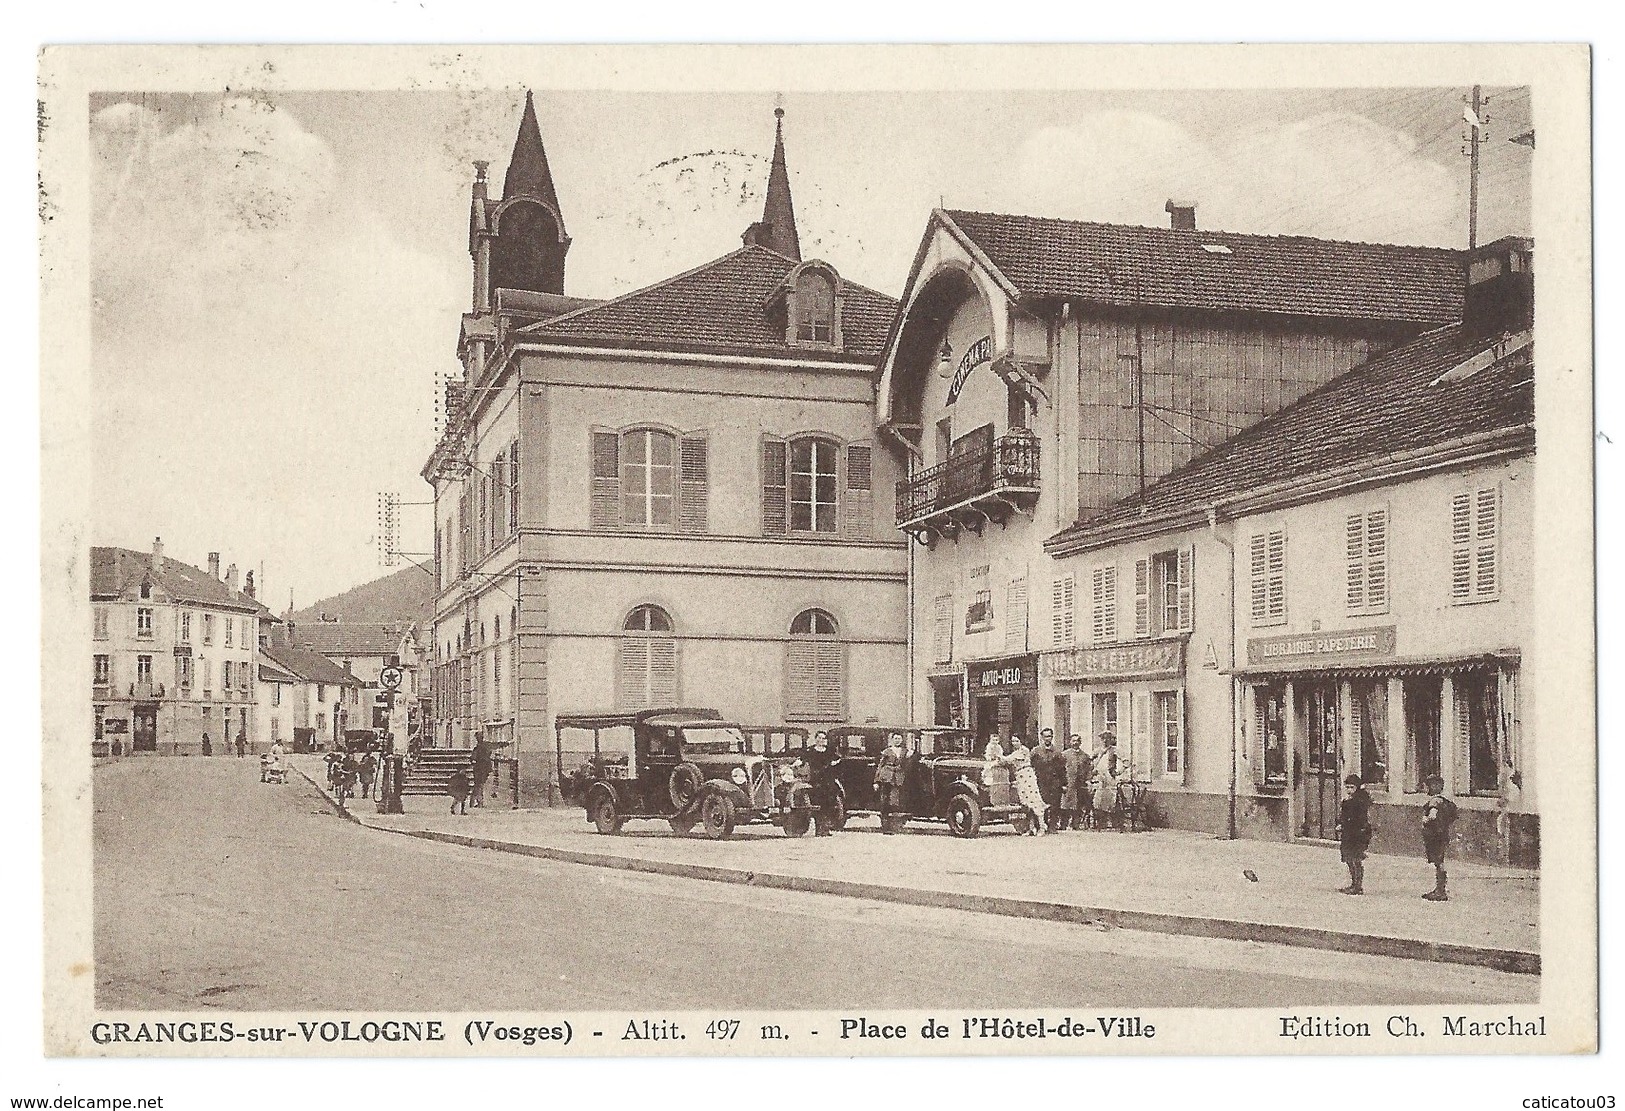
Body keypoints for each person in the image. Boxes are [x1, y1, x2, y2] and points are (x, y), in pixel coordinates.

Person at [1420, 774, 1459, 901]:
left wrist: (1425, 820)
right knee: (1439, 861)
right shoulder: (1443, 800)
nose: (1424, 789)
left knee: (1438, 862)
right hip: (1442, 834)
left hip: (1435, 835)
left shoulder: (1434, 801)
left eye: (1426, 786)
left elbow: (1432, 816)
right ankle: (1439, 889)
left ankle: (1440, 891)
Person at [1336, 774, 1374, 895]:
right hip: (1349, 833)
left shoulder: (1359, 802)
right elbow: (1344, 816)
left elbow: (1359, 819)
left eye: (1352, 787)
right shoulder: (1347, 801)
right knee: (1348, 858)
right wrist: (1341, 824)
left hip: (1358, 833)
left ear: (1357, 787)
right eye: (1347, 787)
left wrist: (1347, 824)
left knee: (1355, 858)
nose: (1349, 790)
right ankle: (1354, 883)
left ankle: (1357, 886)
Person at [1002, 735, 1047, 836]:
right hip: (1020, 777)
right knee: (1026, 804)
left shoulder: (1024, 751)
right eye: (1013, 741)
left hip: (1027, 776)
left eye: (1017, 741)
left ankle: (1042, 827)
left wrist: (997, 754)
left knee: (1034, 800)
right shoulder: (1016, 752)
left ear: (1021, 741)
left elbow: (1007, 760)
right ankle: (1031, 828)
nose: (1014, 743)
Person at [806, 731, 841, 836]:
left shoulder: (829, 751)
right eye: (819, 738)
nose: (821, 740)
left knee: (829, 804)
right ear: (815, 738)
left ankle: (826, 829)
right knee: (818, 804)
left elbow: (837, 759)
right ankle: (818, 829)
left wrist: (833, 763)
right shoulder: (810, 750)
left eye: (823, 738)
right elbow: (802, 760)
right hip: (816, 779)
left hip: (827, 779)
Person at [1032, 729, 1064, 832]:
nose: (1047, 739)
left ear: (1052, 737)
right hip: (1041, 781)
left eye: (1049, 736)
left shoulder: (1057, 752)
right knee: (1041, 803)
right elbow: (1030, 766)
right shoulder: (1036, 751)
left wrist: (1064, 784)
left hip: (1055, 782)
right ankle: (1042, 825)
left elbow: (1062, 769)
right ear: (1041, 737)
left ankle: (1053, 826)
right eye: (1045, 736)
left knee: (1055, 805)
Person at [875, 732, 907, 834]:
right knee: (885, 801)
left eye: (899, 738)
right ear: (892, 740)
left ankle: (894, 826)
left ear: (902, 740)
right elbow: (880, 766)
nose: (897, 740)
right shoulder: (886, 751)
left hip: (898, 778)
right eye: (896, 738)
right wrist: (876, 781)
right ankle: (885, 827)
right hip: (886, 777)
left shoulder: (904, 751)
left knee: (894, 802)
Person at [1060, 734, 1092, 830]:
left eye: (1077, 741)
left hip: (1080, 785)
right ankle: (1063, 824)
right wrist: (1062, 784)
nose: (1075, 743)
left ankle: (1076, 825)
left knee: (1078, 805)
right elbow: (1060, 770)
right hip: (1068, 783)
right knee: (1065, 805)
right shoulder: (1064, 755)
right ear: (1070, 742)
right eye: (1073, 741)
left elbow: (1088, 770)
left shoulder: (1085, 756)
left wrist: (1088, 781)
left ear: (1080, 742)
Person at [1092, 732, 1121, 831]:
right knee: (1098, 800)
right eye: (1103, 738)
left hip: (1109, 778)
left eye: (1107, 738)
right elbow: (1088, 760)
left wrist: (1118, 772)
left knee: (1110, 799)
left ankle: (1113, 821)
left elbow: (1126, 761)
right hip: (1099, 777)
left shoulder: (1114, 750)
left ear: (1111, 740)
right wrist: (1093, 769)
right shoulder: (1097, 751)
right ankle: (1100, 822)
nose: (1105, 740)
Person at [472, 738, 492, 808]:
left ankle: (478, 802)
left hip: (479, 770)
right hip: (484, 769)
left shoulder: (477, 748)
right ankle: (478, 801)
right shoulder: (485, 748)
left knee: (478, 786)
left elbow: (473, 759)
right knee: (480, 786)